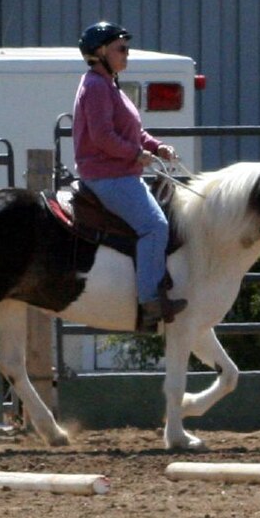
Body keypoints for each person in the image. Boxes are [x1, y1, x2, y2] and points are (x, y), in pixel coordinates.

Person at [72, 21, 187, 328]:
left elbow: (133, 130)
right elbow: (103, 137)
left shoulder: (108, 85)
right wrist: (137, 155)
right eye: (121, 48)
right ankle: (149, 300)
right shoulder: (96, 87)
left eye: (126, 48)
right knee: (155, 226)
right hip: (108, 176)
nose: (127, 54)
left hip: (121, 173)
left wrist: (156, 146)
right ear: (100, 52)